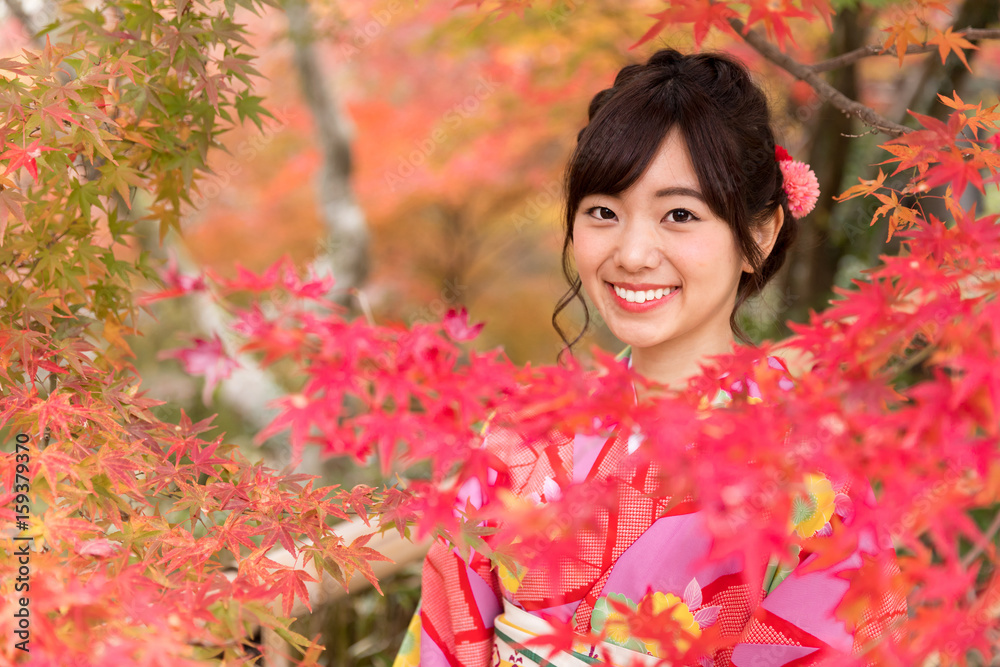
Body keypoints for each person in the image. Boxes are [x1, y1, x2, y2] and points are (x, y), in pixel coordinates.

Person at [393, 48, 904, 667]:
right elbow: (446, 640)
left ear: (759, 235)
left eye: (680, 214)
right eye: (604, 213)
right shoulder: (519, 434)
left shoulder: (816, 467)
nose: (633, 253)